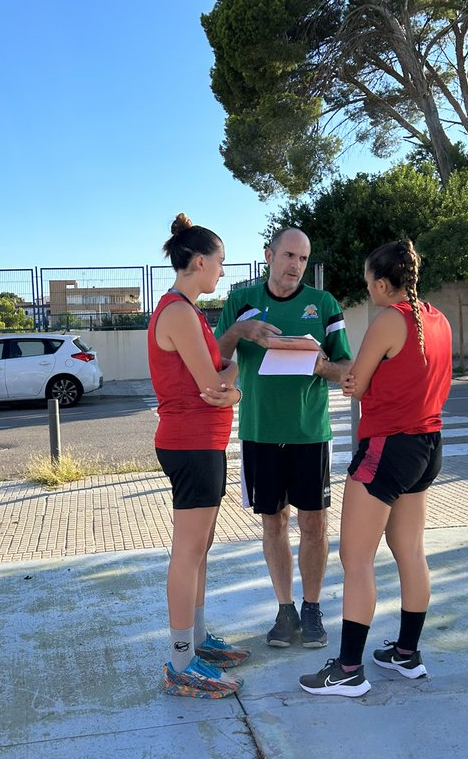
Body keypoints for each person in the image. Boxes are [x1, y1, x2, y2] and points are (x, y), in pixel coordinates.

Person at [299, 238, 452, 698]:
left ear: (384, 284)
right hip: (427, 446)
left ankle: (348, 669)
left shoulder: (389, 320)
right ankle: (407, 654)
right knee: (410, 550)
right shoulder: (437, 318)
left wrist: (335, 371)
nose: (369, 293)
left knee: (356, 558)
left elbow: (356, 384)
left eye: (369, 285)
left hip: (387, 446)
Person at [215, 228, 353, 650]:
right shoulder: (241, 301)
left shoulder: (324, 304)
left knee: (315, 523)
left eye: (303, 259)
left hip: (310, 433)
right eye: (289, 255)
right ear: (269, 255)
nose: (295, 265)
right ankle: (284, 610)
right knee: (274, 522)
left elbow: (345, 366)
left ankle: (312, 609)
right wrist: (243, 331)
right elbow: (217, 357)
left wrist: (320, 367)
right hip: (259, 432)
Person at [150, 213, 249, 699]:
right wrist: (235, 389)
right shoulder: (179, 312)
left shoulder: (185, 310)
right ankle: (179, 660)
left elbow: (216, 376)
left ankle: (197, 640)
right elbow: (214, 387)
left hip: (201, 443)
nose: (222, 274)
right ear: (199, 261)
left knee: (199, 549)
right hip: (190, 443)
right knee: (187, 552)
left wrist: (229, 378)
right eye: (220, 264)